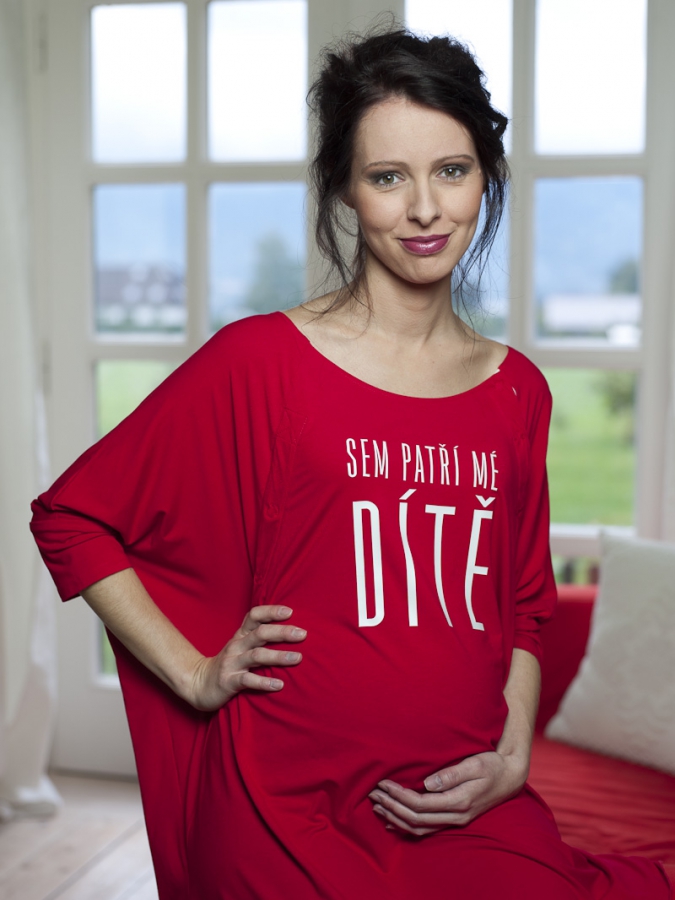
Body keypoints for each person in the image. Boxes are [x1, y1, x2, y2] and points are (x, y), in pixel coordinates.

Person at [30, 28, 670, 900]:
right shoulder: (261, 361)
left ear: (487, 177)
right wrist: (193, 672)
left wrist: (513, 753)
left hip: (462, 803)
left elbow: (523, 605)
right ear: (343, 186)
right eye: (387, 177)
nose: (425, 209)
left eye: (452, 170)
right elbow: (72, 517)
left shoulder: (516, 389)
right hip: (281, 805)